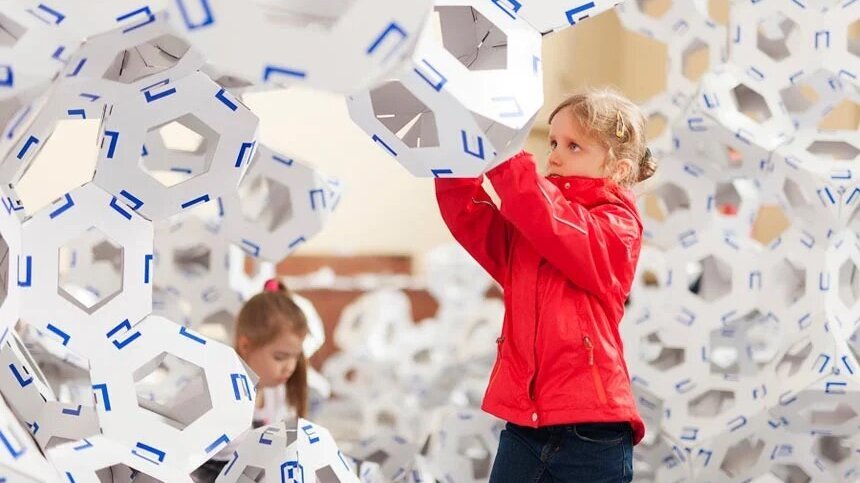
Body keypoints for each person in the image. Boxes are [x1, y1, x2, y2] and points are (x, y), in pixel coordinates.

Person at [435, 88, 657, 482]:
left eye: (574, 146)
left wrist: (505, 160)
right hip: (525, 426)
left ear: (618, 169)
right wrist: (454, 160)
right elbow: (472, 217)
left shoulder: (617, 226)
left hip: (593, 433)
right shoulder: (534, 226)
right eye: (553, 141)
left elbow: (556, 224)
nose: (553, 155)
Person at [192, 278, 309, 482]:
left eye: (295, 357)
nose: (290, 367)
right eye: (280, 357)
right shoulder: (222, 390)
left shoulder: (275, 393)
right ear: (245, 345)